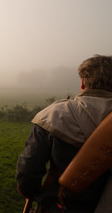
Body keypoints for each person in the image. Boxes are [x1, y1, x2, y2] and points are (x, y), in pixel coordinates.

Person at [16, 55, 112, 213]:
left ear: (82, 82)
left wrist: (34, 194)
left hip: (58, 206)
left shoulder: (56, 114)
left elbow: (28, 173)